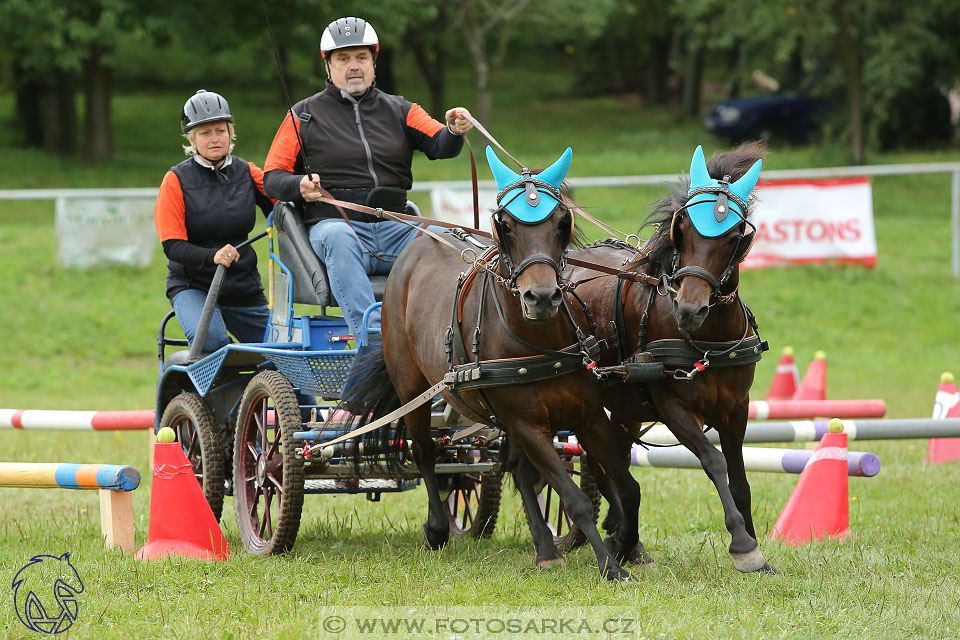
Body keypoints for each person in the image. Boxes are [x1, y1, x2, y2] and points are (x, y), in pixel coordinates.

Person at [263, 16, 474, 338]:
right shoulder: (302, 116)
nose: (354, 66)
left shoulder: (402, 110)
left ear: (374, 63)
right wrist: (299, 186)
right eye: (343, 59)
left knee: (447, 239)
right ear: (328, 66)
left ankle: (445, 335)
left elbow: (440, 145)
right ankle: (374, 340)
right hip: (336, 228)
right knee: (338, 236)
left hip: (396, 228)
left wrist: (454, 129)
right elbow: (272, 177)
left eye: (361, 57)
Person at [154, 89, 274, 352]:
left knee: (283, 351)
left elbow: (281, 207)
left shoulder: (248, 172)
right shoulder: (175, 180)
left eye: (221, 130)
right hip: (194, 286)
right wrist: (213, 256)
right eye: (205, 133)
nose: (215, 139)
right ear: (191, 138)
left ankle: (266, 377)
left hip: (243, 287)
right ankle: (219, 374)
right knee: (211, 341)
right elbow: (172, 246)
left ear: (231, 133)